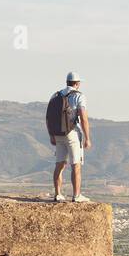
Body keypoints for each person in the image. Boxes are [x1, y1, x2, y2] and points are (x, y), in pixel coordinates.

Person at [48, 71, 92, 202]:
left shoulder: (55, 95)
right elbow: (83, 118)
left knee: (59, 164)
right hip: (72, 133)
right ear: (77, 83)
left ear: (67, 82)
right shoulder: (79, 96)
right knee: (76, 164)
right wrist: (87, 137)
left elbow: (48, 117)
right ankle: (76, 195)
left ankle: (58, 194)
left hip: (58, 134)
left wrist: (51, 135)